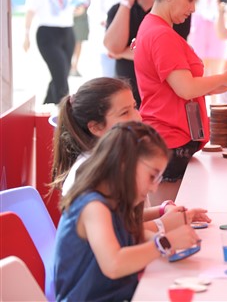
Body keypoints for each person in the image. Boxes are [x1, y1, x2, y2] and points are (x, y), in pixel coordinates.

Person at [134, 0, 227, 204]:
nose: (193, 8)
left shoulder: (154, 27)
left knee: (172, 214)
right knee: (169, 215)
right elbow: (186, 88)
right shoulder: (161, 34)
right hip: (169, 139)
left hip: (169, 138)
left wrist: (226, 82)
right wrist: (224, 78)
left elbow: (184, 86)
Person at [54, 121, 200, 301]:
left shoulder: (115, 200)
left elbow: (132, 234)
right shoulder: (94, 206)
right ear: (124, 164)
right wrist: (165, 243)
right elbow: (114, 264)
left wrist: (161, 239)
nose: (154, 188)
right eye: (152, 176)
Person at [49, 77, 211, 229]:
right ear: (96, 127)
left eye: (134, 107)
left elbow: (124, 216)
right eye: (124, 113)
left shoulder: (117, 158)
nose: (138, 118)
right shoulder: (95, 172)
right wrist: (164, 225)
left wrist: (162, 210)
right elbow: (117, 231)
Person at [104, 0, 190, 106]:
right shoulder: (118, 9)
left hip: (162, 101)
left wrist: (121, 53)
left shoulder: (175, 12)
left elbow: (165, 54)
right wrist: (126, 3)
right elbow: (112, 46)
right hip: (126, 101)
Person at [23, 0, 77, 104]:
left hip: (67, 31)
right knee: (60, 72)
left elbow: (73, 6)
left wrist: (79, 9)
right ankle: (65, 109)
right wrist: (26, 34)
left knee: (62, 72)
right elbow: (30, 10)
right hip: (47, 33)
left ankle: (47, 104)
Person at [87, 0, 129, 78]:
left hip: (130, 44)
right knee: (109, 82)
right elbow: (94, 11)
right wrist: (107, 21)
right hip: (107, 43)